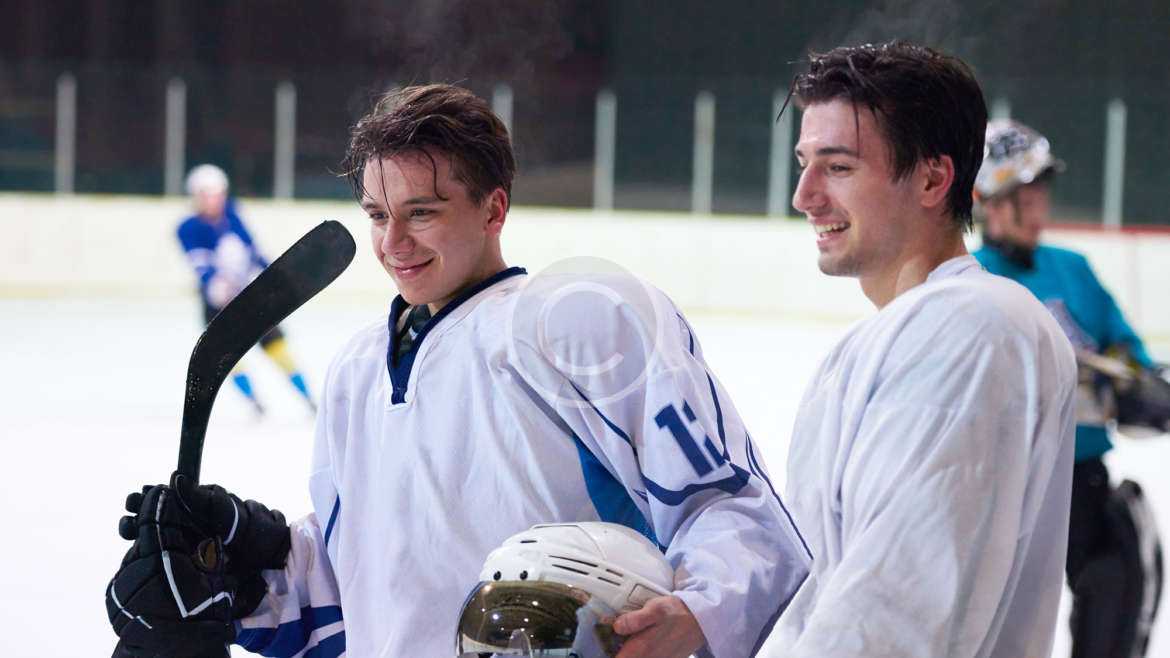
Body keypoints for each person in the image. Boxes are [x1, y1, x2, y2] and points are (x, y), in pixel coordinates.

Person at [107, 84, 811, 658]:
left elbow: (735, 511)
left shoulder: (576, 319)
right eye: (377, 214)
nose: (392, 243)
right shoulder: (358, 369)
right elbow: (361, 602)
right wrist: (237, 570)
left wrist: (696, 611)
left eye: (422, 213)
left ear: (494, 208)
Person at [768, 42, 1078, 657]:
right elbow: (826, 580)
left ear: (934, 178)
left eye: (838, 167)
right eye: (805, 163)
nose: (804, 196)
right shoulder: (881, 340)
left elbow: (892, 613)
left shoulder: (973, 329)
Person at [973, 118, 1165, 657]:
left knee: (1118, 574)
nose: (1039, 210)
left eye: (1041, 196)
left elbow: (1128, 353)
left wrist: (1137, 385)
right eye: (1024, 198)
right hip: (1005, 488)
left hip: (1081, 482)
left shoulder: (1073, 269)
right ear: (989, 200)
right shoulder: (971, 279)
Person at [177, 164, 316, 415]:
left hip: (250, 297)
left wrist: (275, 272)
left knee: (277, 348)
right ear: (196, 197)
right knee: (225, 357)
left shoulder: (232, 213)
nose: (214, 201)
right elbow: (200, 263)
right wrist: (215, 283)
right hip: (218, 303)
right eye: (207, 195)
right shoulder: (188, 227)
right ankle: (254, 402)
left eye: (217, 194)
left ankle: (308, 399)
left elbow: (252, 248)